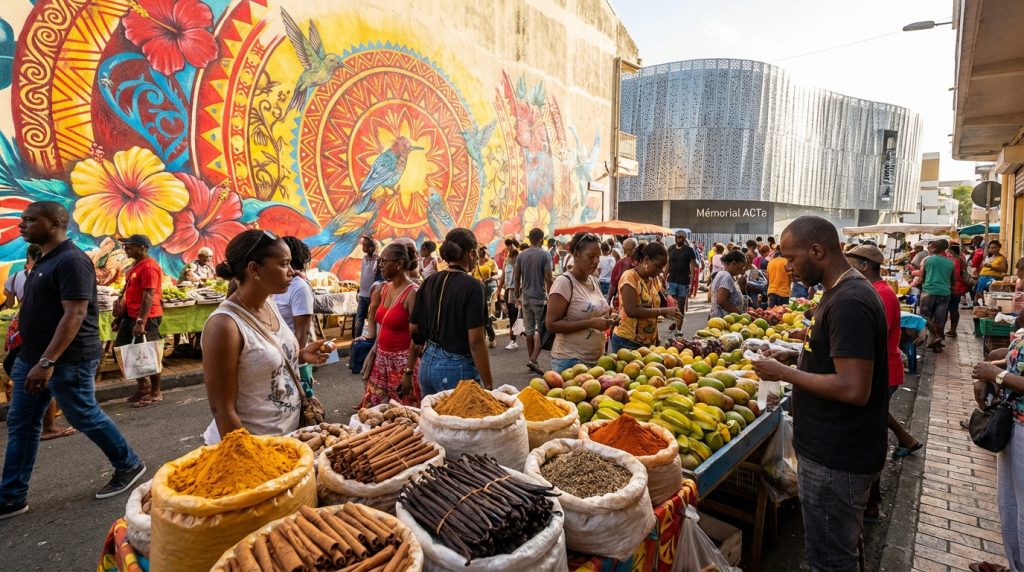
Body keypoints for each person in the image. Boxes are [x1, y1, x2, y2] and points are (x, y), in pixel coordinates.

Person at [752, 216, 888, 572]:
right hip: (832, 451)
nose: (787, 267)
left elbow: (854, 388)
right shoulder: (838, 291)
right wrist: (797, 356)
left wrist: (785, 373)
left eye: (791, 258)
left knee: (829, 560)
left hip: (837, 458)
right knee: (840, 548)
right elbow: (834, 359)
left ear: (817, 250)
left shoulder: (850, 300)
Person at [2, 202, 145, 518]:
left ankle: (129, 464)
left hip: (67, 359)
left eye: (30, 220)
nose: (21, 225)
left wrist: (47, 362)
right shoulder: (43, 259)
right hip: (34, 356)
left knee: (83, 415)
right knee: (22, 422)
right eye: (22, 219)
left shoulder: (71, 261)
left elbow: (76, 313)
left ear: (54, 223)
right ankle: (12, 496)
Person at [202, 230, 328, 444]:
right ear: (254, 269)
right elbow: (222, 410)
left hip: (286, 438)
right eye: (284, 264)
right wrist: (254, 459)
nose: (293, 272)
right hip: (254, 446)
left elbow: (261, 360)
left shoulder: (269, 302)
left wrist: (301, 355)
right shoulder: (224, 325)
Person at [845, 245, 922, 521]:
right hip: (879, 372)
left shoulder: (881, 295)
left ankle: (871, 501)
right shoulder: (876, 292)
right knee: (875, 421)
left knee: (870, 435)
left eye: (850, 263)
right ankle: (905, 440)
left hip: (883, 372)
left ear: (864, 266)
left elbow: (871, 338)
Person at [3, 245, 76, 441]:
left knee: (27, 373)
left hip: (20, 332)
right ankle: (48, 426)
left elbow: (10, 304)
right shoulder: (49, 275)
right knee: (43, 379)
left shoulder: (16, 277)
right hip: (40, 334)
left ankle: (28, 424)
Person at [409, 228, 494, 395]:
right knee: (462, 421)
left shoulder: (429, 281)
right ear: (470, 254)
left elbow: (414, 328)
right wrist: (489, 386)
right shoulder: (474, 286)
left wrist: (409, 369)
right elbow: (476, 342)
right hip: (455, 368)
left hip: (426, 366)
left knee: (433, 420)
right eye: (475, 253)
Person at [361, 242, 421, 406]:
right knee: (375, 410)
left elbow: (417, 338)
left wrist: (408, 372)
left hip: (402, 363)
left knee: (403, 414)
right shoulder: (384, 288)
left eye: (384, 261)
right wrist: (373, 347)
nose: (380, 266)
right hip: (381, 359)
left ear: (399, 264)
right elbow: (380, 321)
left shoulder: (412, 293)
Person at [546, 233, 616, 372]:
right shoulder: (564, 283)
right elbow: (551, 324)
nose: (596, 261)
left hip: (597, 361)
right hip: (570, 362)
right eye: (591, 256)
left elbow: (598, 310)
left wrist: (611, 316)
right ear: (576, 255)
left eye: (598, 256)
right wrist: (590, 323)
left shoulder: (593, 280)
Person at [113, 235, 164, 408]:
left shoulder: (149, 267)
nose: (126, 249)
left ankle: (155, 392)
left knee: (150, 352)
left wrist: (141, 321)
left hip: (146, 317)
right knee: (125, 349)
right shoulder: (135, 266)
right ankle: (143, 386)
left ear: (142, 248)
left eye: (129, 247)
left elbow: (148, 295)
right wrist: (121, 317)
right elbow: (129, 293)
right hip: (131, 316)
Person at [611, 242, 680, 353]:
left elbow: (659, 305)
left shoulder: (654, 279)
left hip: (649, 343)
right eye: (658, 266)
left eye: (662, 268)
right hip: (627, 342)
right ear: (646, 259)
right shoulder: (630, 277)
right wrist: (662, 311)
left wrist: (670, 310)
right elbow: (631, 311)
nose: (660, 271)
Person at [273, 237, 316, 398]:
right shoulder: (277, 287)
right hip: (279, 356)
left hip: (294, 359)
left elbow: (302, 333)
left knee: (300, 402)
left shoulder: (299, 288)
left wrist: (294, 363)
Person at [515, 228, 553, 374]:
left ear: (529, 239)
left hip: (525, 297)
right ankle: (533, 359)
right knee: (543, 328)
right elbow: (548, 278)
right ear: (541, 239)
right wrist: (551, 296)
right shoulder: (545, 255)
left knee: (529, 330)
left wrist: (517, 296)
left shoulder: (521, 255)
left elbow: (517, 277)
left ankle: (532, 359)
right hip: (539, 297)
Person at [919, 239, 955, 352]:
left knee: (924, 316)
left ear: (934, 248)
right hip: (945, 293)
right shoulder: (950, 262)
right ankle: (937, 345)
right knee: (940, 319)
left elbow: (922, 276)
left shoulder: (928, 260)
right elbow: (953, 280)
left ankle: (935, 337)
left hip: (929, 291)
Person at [666, 229, 697, 330]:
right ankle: (675, 322)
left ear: (684, 239)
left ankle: (679, 329)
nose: (679, 239)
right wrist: (664, 275)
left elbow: (692, 265)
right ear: (675, 238)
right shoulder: (670, 249)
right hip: (672, 280)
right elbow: (668, 264)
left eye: (681, 237)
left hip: (683, 281)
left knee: (681, 305)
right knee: (673, 305)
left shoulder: (689, 250)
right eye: (677, 237)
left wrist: (692, 281)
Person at [354, 236, 381, 338]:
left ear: (372, 247)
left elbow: (378, 277)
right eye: (363, 245)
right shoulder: (364, 258)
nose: (363, 247)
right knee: (360, 318)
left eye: (366, 245)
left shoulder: (377, 260)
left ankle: (372, 337)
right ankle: (357, 338)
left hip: (372, 294)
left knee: (372, 317)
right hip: (363, 294)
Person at [472, 246, 499, 349]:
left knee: (486, 316)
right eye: (481, 252)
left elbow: (497, 275)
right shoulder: (476, 263)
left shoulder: (491, 262)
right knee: (479, 315)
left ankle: (491, 339)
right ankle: (482, 339)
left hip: (488, 289)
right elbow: (472, 274)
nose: (483, 254)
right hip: (476, 289)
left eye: (484, 252)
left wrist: (489, 279)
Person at [710, 250, 748, 318]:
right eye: (740, 268)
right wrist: (739, 313)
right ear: (733, 263)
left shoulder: (721, 273)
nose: (741, 271)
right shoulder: (727, 276)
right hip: (724, 318)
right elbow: (721, 301)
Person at [498, 247, 520, 350]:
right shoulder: (506, 263)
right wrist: (498, 289)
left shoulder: (519, 262)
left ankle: (514, 339)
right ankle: (513, 340)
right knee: (512, 316)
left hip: (517, 291)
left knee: (515, 316)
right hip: (509, 291)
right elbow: (503, 276)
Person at [946, 244, 970, 337]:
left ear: (951, 251)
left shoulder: (950, 260)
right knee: (954, 309)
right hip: (959, 287)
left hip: (950, 286)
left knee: (946, 309)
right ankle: (953, 329)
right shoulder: (962, 260)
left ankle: (945, 331)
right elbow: (965, 273)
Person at [608, 237, 637, 304]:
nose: (629, 253)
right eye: (627, 250)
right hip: (623, 298)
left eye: (631, 249)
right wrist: (608, 300)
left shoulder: (641, 262)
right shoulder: (621, 263)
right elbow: (613, 284)